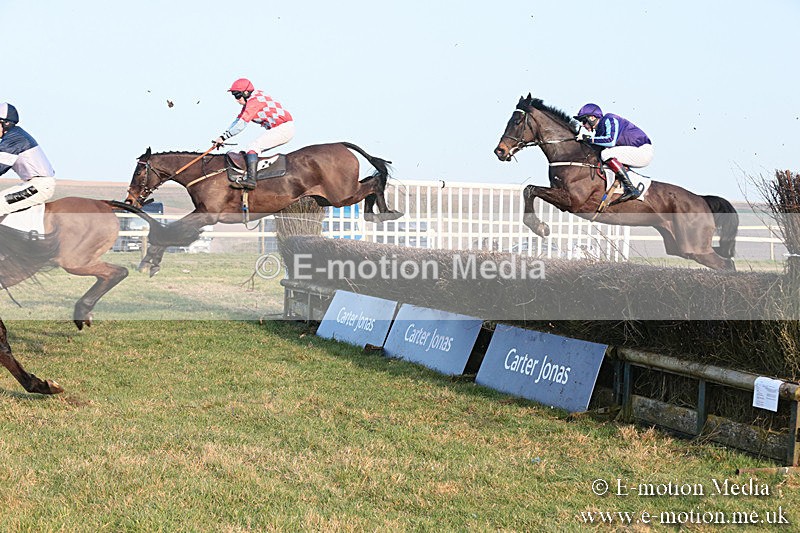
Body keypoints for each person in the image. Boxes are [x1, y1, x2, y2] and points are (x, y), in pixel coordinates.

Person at [212, 78, 295, 190]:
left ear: (246, 93)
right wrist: (221, 137)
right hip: (281, 128)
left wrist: (224, 137)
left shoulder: (254, 101)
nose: (236, 100)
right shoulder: (253, 98)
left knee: (252, 148)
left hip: (284, 128)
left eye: (237, 95)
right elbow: (237, 121)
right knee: (249, 150)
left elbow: (241, 125)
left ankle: (251, 180)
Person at [573, 103, 653, 204]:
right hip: (633, 151)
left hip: (642, 151)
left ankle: (631, 188)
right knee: (603, 155)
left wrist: (587, 138)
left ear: (592, 118)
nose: (583, 125)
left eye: (584, 121)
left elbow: (610, 141)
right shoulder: (599, 131)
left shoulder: (609, 119)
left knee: (606, 154)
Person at [0, 102, 56, 216]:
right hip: (33, 184)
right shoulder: (13, 135)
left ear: (5, 124)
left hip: (39, 186)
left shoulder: (14, 139)